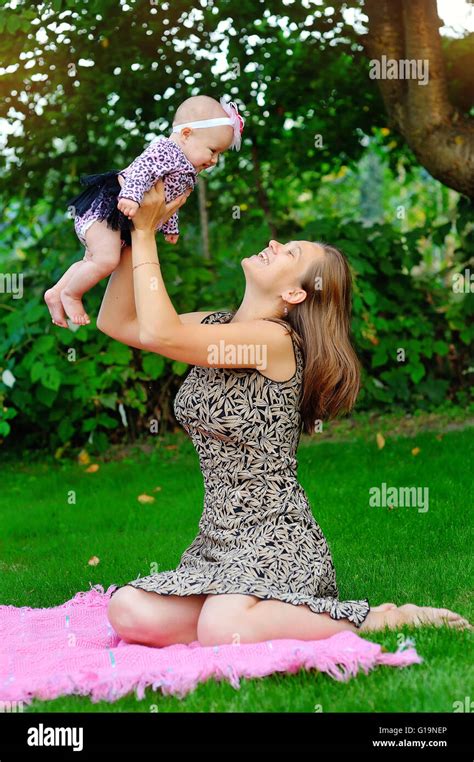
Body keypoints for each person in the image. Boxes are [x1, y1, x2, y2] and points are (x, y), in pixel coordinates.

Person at [98, 180, 471, 647]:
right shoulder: (219, 325)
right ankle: (247, 617)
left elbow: (160, 333)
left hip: (278, 541)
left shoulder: (274, 342)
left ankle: (376, 619)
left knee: (222, 627)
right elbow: (119, 323)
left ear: (296, 295)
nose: (273, 244)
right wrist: (133, 229)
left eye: (290, 254)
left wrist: (151, 232)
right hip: (217, 544)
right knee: (128, 610)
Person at [44, 95, 244, 327]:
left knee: (93, 259)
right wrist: (130, 196)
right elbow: (142, 170)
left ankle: (56, 292)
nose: (214, 160)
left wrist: (171, 226)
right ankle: (71, 294)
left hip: (119, 219)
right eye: (213, 150)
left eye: (220, 154)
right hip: (108, 208)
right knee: (107, 261)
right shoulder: (167, 151)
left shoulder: (187, 169)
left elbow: (169, 201)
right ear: (187, 134)